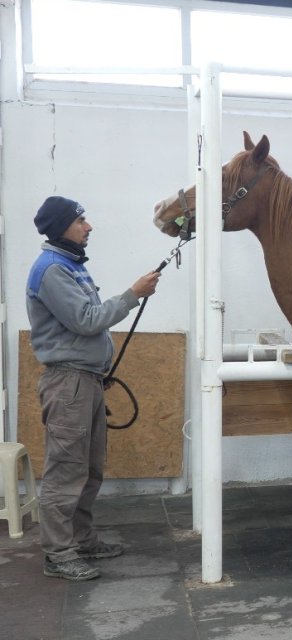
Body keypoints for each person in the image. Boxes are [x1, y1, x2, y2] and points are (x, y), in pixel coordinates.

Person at [27, 196, 161, 581]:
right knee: (65, 472)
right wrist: (133, 294)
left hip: (84, 382)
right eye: (80, 220)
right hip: (68, 383)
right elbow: (87, 320)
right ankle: (58, 553)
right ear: (61, 226)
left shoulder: (70, 267)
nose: (88, 226)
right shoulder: (52, 270)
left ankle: (82, 540)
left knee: (89, 470)